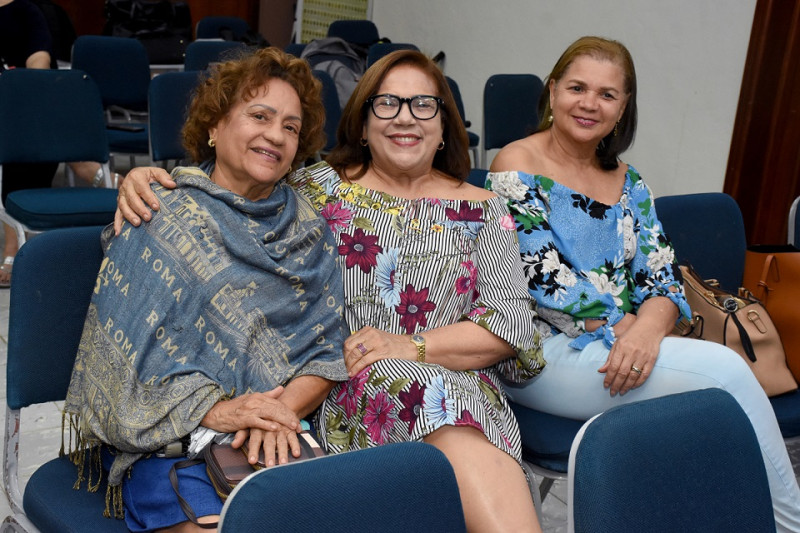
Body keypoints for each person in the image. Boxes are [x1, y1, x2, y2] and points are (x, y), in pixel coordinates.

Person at [116, 50, 547, 533]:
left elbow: (509, 327)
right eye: (387, 104)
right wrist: (146, 180)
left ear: (446, 126)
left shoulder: (488, 210)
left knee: (436, 399)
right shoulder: (315, 188)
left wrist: (410, 347)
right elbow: (229, 198)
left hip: (454, 389)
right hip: (336, 391)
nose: (406, 117)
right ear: (362, 125)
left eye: (425, 105)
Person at [488, 35, 800, 531]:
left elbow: (663, 279)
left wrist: (646, 330)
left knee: (713, 399)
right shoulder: (515, 163)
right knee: (726, 375)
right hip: (541, 352)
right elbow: (543, 281)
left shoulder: (630, 181)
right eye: (577, 87)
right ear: (552, 92)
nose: (590, 103)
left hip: (627, 346)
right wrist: (626, 326)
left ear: (623, 106)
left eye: (607, 94)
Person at [64, 47, 349, 532]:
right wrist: (220, 412)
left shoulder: (308, 230)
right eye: (259, 116)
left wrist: (271, 413)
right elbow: (126, 375)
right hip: (170, 448)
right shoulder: (158, 214)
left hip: (283, 437)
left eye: (291, 127)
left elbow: (327, 351)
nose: (275, 135)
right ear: (214, 128)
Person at [0, 0, 105, 288]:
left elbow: (39, 64)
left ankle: (12, 245)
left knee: (20, 122)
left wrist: (17, 95)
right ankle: (84, 164)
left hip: (31, 104)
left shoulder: (26, 10)